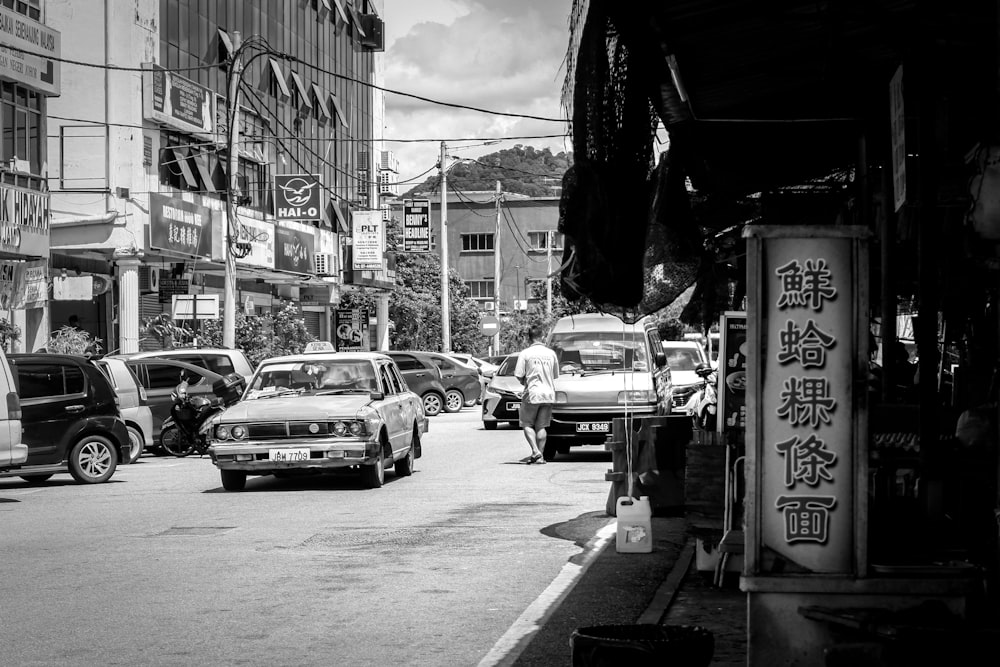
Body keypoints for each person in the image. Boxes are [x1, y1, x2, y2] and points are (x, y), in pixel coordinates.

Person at [514, 323, 559, 464]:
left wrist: (524, 383)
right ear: (543, 337)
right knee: (541, 426)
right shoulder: (551, 353)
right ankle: (541, 457)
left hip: (532, 393)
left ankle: (535, 451)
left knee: (526, 423)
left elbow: (518, 374)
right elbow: (555, 375)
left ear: (529, 338)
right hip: (548, 394)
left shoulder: (525, 353)